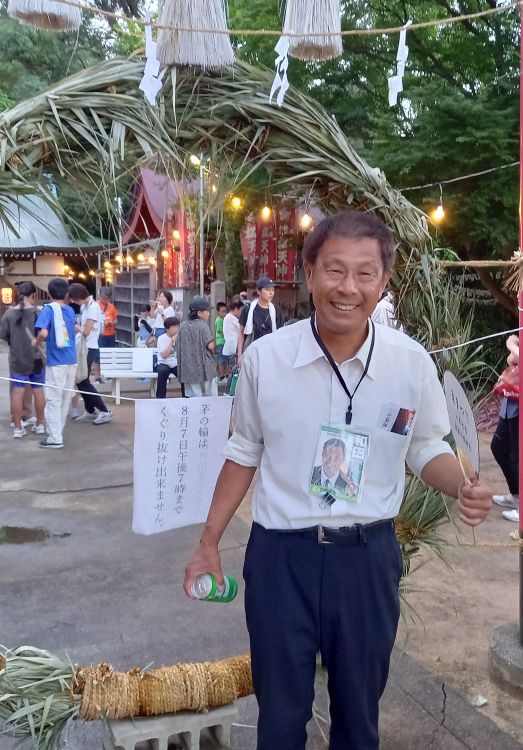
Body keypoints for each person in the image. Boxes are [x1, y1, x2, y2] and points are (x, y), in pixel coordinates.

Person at [183, 210, 492, 750]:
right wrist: (208, 542)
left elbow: (426, 448)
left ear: (384, 281)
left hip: (367, 561)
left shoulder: (409, 363)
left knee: (358, 718)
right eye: (334, 270)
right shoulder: (266, 360)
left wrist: (460, 484)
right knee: (279, 719)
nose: (348, 288)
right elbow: (243, 450)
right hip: (281, 560)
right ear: (308, 272)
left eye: (364, 273)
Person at [34, 278, 77, 449]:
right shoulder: (70, 311)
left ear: (49, 294)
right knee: (65, 399)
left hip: (56, 361)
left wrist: (36, 342)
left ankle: (55, 437)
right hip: (71, 359)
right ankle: (57, 433)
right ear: (67, 294)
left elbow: (43, 332)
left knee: (53, 399)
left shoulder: (48, 310)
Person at [1, 281, 45, 439]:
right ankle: (39, 425)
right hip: (36, 358)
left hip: (17, 358)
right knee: (38, 392)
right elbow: (44, 334)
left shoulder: (9, 313)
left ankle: (18, 428)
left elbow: (5, 336)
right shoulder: (38, 313)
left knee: (17, 393)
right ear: (33, 294)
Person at [68, 283, 114, 425]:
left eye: (73, 299)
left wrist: (76, 326)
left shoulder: (93, 307)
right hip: (84, 346)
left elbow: (87, 331)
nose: (73, 302)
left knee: (83, 381)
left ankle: (104, 410)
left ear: (78, 297)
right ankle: (90, 410)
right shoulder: (86, 307)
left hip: (89, 347)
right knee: (81, 381)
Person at [491, 335, 521, 522]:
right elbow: (512, 359)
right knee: (499, 448)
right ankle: (516, 496)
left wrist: (511, 344)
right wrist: (514, 351)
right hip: (511, 402)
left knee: (521, 457)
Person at [176, 297, 219, 397]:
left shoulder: (183, 325)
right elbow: (210, 345)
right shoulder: (203, 325)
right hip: (205, 366)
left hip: (188, 367)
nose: (209, 313)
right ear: (199, 313)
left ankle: (195, 413)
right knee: (211, 395)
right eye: (207, 311)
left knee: (193, 398)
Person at [238, 277, 279, 361]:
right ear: (258, 291)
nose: (271, 293)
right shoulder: (248, 309)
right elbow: (241, 333)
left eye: (273, 290)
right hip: (252, 353)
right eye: (268, 290)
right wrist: (239, 355)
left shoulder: (276, 310)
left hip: (270, 353)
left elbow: (279, 334)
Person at [155, 317, 184, 399]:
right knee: (162, 371)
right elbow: (164, 355)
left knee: (183, 373)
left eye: (178, 327)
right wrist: (171, 341)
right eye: (174, 327)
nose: (176, 329)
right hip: (164, 362)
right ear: (167, 329)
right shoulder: (162, 338)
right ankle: (161, 398)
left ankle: (186, 397)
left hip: (176, 363)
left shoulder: (181, 338)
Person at [222, 299, 243, 372]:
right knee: (235, 371)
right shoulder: (231, 318)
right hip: (233, 348)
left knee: (233, 370)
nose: (241, 312)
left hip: (231, 347)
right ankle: (231, 384)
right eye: (241, 310)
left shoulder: (228, 318)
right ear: (236, 309)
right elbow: (242, 328)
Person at [215, 302, 229, 381]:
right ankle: (221, 375)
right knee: (222, 359)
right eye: (222, 311)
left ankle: (227, 375)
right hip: (221, 341)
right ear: (218, 312)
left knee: (226, 359)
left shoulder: (224, 319)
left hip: (225, 341)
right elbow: (221, 331)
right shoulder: (219, 320)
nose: (225, 313)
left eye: (225, 311)